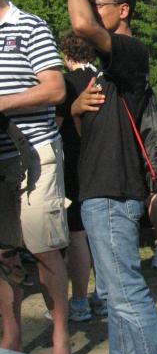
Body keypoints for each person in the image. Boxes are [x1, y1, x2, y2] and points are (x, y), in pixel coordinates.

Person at [55, 0, 157, 354]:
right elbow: (91, 131)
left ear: (123, 10)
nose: (91, 10)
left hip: (113, 190)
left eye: (99, 3)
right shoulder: (104, 75)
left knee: (125, 294)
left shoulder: (131, 52)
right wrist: (76, 107)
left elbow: (82, 26)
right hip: (97, 191)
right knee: (114, 298)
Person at [0, 0, 70, 354]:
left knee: (42, 248)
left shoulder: (28, 25)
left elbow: (56, 88)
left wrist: (2, 103)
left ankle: (61, 337)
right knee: (3, 252)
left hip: (35, 153)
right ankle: (12, 338)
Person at [55, 31, 106, 320]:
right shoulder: (106, 79)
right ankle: (104, 296)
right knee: (100, 232)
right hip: (104, 164)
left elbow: (55, 125)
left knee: (77, 234)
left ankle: (79, 302)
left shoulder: (65, 83)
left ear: (66, 55)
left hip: (74, 165)